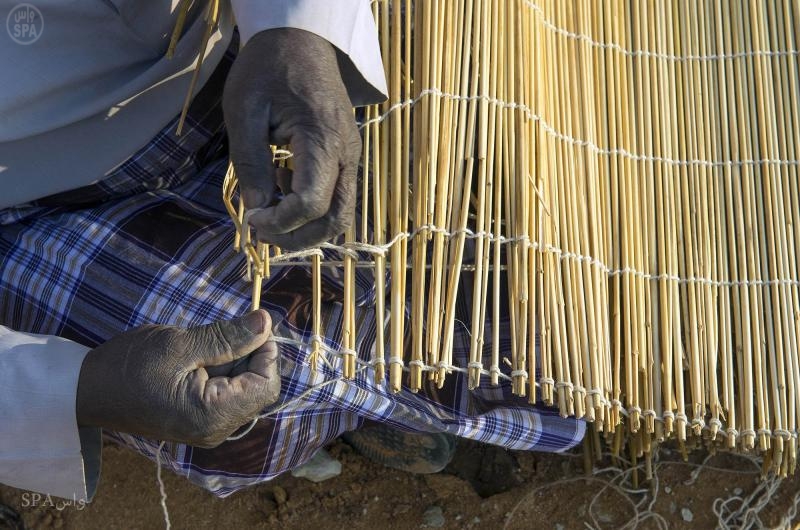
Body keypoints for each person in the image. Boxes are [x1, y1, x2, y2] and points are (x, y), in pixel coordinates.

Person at [0, 0, 585, 503]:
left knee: (481, 118)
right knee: (265, 380)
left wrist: (297, 24)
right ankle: (353, 409)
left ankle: (373, 404)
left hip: (212, 40)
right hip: (26, 205)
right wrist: (72, 387)